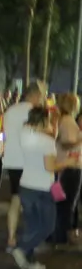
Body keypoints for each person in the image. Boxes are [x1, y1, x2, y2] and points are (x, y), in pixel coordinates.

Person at [11, 107, 80, 269]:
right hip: (42, 188)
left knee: (32, 226)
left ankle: (28, 261)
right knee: (48, 226)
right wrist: (68, 162)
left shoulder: (24, 134)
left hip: (26, 185)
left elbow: (43, 132)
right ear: (44, 121)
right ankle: (21, 249)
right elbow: (50, 167)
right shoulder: (46, 142)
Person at [2, 82, 46, 252]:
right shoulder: (36, 113)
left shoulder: (10, 111)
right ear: (36, 95)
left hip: (13, 161)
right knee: (32, 202)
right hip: (31, 162)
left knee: (16, 199)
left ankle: (11, 237)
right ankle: (29, 240)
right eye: (42, 95)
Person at [52, 93, 82, 247]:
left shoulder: (61, 120)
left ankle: (60, 234)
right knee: (68, 203)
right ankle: (62, 235)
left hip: (62, 166)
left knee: (62, 202)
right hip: (70, 167)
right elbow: (67, 143)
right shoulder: (68, 122)